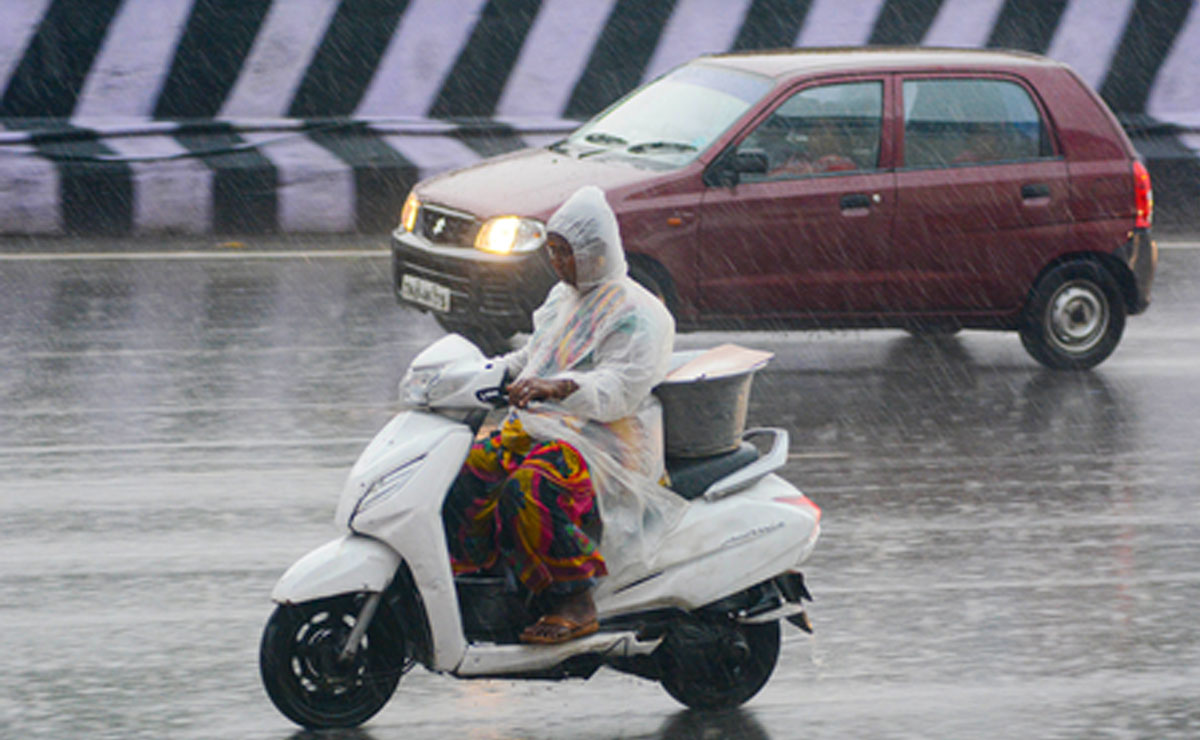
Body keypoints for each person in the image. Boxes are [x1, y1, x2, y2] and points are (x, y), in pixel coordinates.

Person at [441, 185, 677, 645]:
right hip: (548, 424)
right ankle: (482, 586)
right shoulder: (562, 299)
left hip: (609, 441)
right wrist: (475, 374)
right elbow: (535, 355)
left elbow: (619, 389)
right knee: (466, 472)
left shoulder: (639, 315)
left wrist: (559, 386)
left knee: (531, 489)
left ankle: (574, 600)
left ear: (596, 252)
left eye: (566, 253)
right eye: (551, 251)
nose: (557, 262)